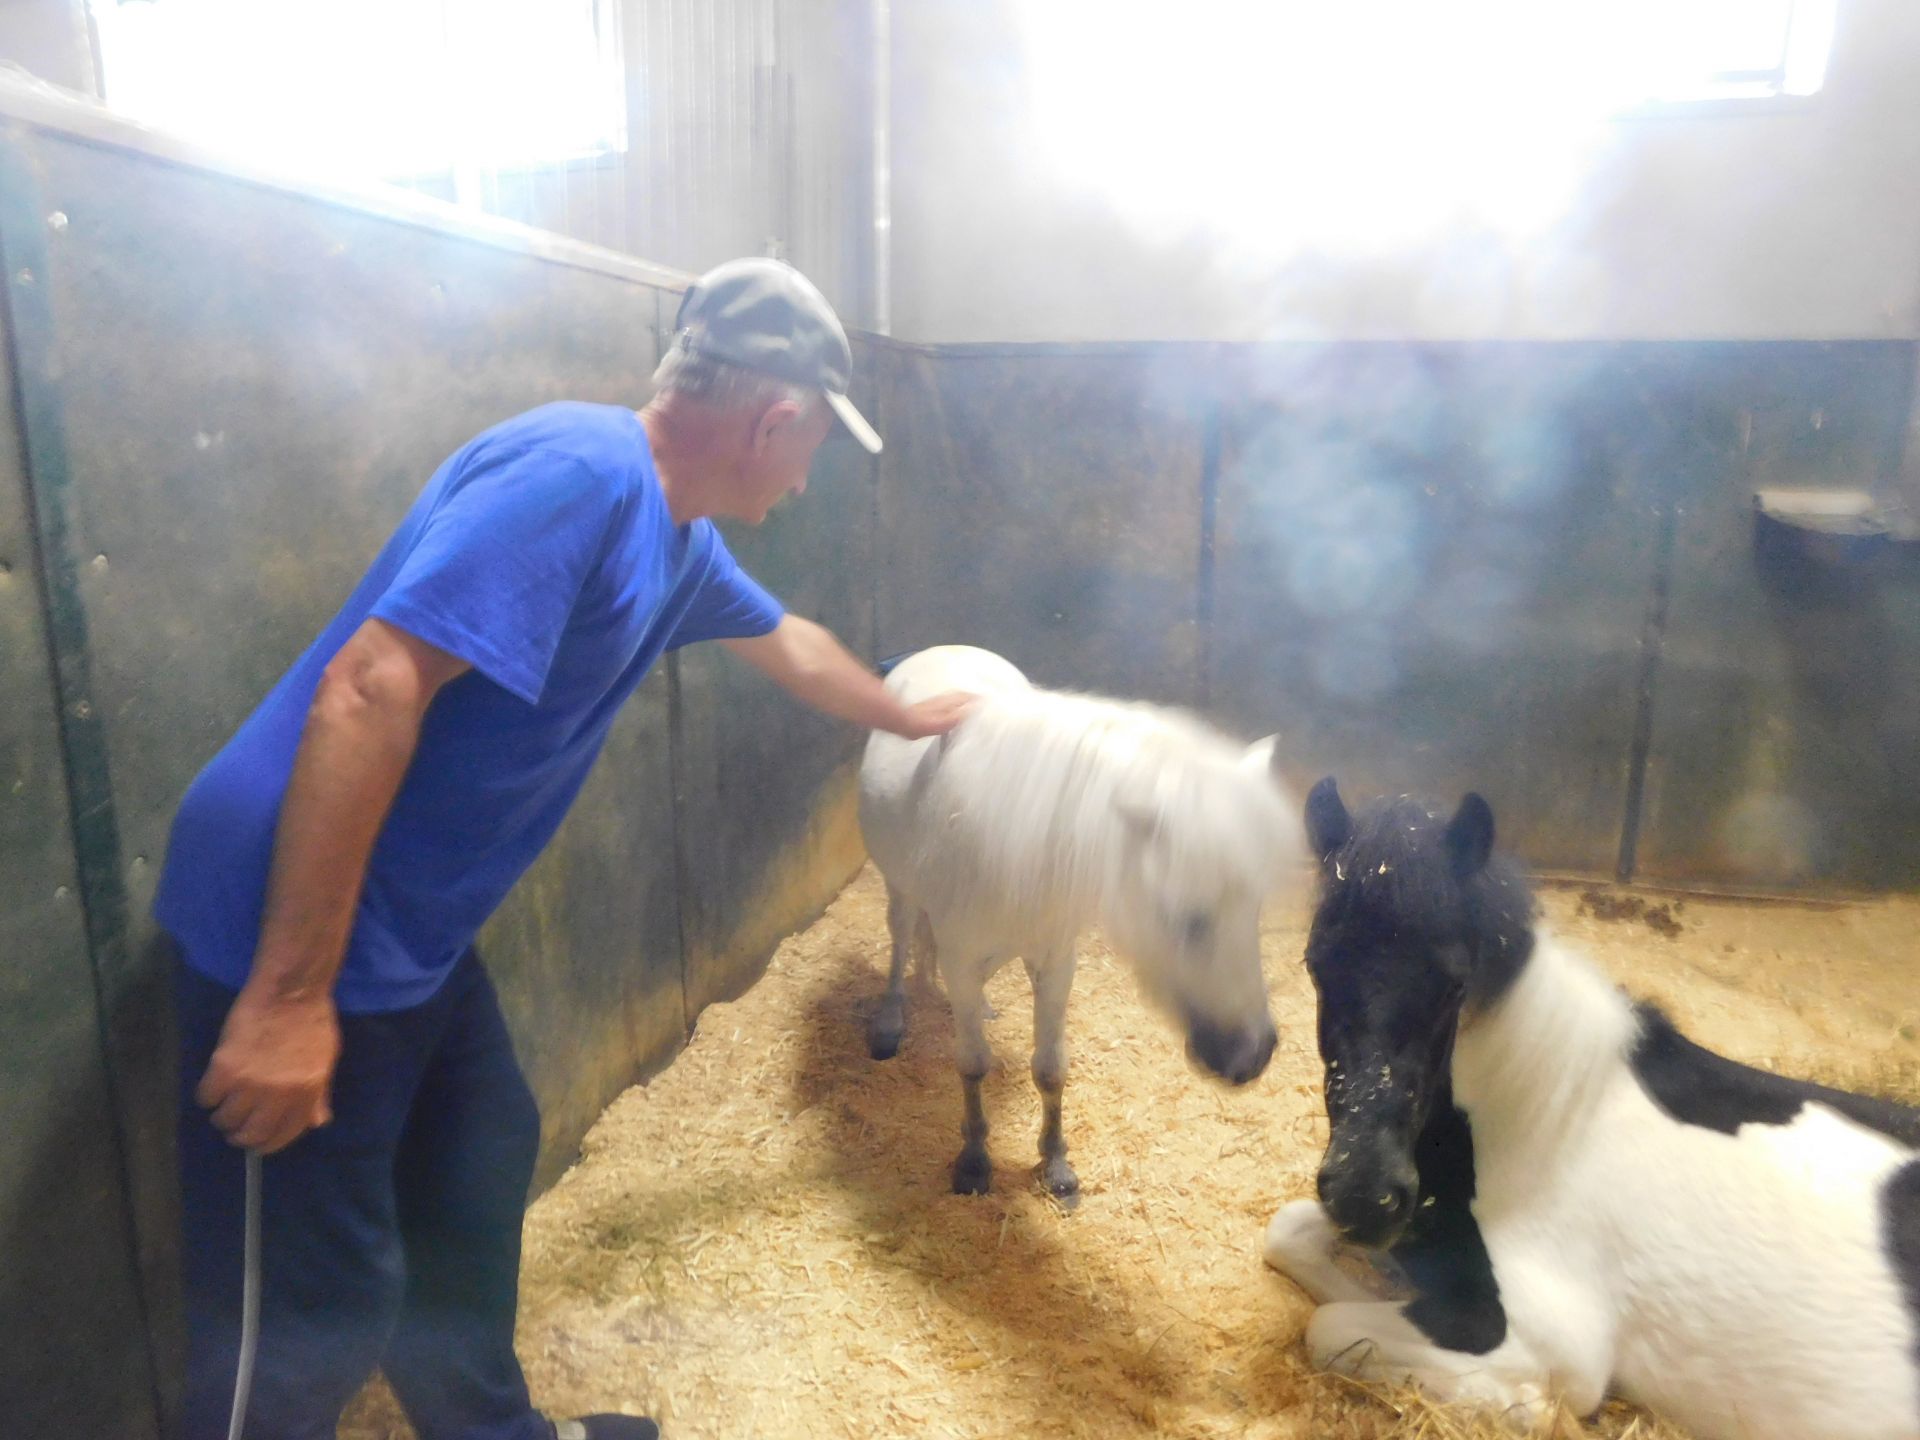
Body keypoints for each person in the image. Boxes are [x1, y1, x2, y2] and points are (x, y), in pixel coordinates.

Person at [157, 257, 969, 1440]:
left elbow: (788, 643)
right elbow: (372, 686)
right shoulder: (583, 474)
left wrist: (906, 713)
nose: (806, 478)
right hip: (292, 919)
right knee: (308, 1309)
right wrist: (287, 998)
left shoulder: (674, 532)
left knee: (480, 1153)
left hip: (408, 926)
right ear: (774, 418)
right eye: (812, 448)